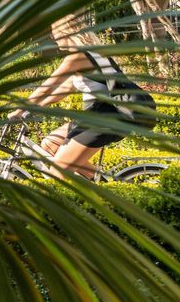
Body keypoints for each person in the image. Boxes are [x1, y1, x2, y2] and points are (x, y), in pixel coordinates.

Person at [11, 15, 154, 180]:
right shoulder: (93, 55)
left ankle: (105, 197)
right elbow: (62, 90)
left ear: (66, 32)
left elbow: (48, 86)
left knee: (58, 173)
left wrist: (19, 110)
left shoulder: (78, 57)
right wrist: (34, 108)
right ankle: (104, 182)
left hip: (103, 120)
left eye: (55, 33)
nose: (54, 38)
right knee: (49, 144)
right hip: (94, 118)